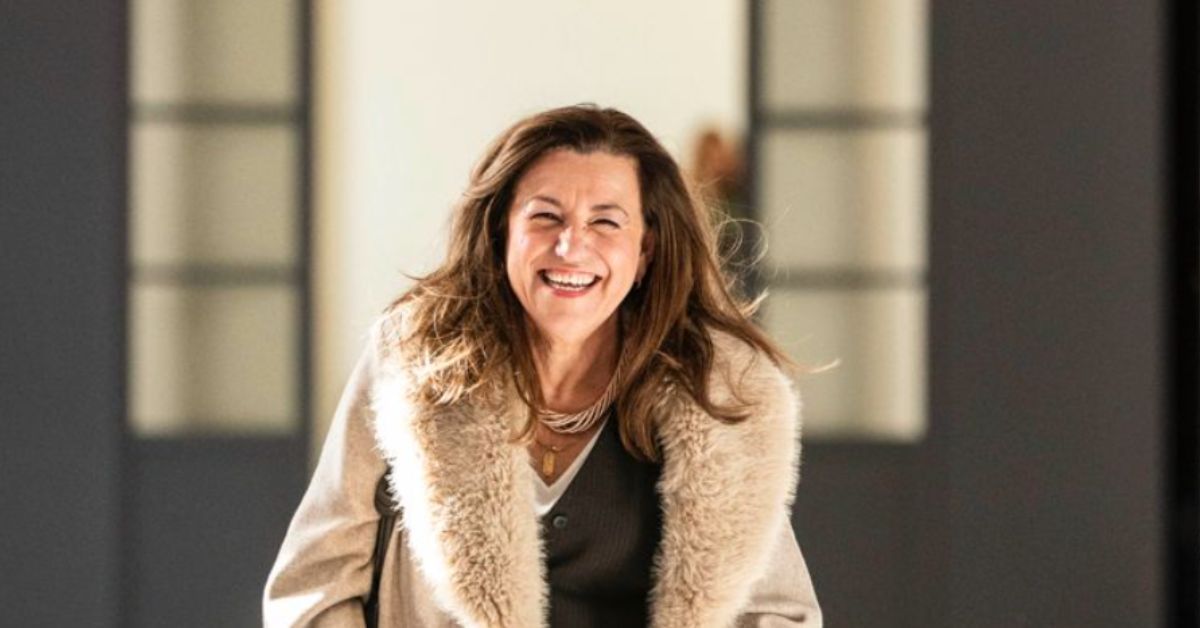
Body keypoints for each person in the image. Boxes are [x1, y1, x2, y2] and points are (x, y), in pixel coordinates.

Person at [263, 104, 822, 627]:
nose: (570, 246)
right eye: (546, 217)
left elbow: (779, 613)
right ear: (502, 232)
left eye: (606, 222)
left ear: (644, 251)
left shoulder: (719, 393)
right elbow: (315, 585)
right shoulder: (413, 362)